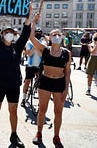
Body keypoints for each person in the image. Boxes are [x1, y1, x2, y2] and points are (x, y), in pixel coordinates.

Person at [0, 3, 32, 148]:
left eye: (11, 32)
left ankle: (14, 135)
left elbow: (25, 33)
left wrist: (29, 14)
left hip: (13, 84)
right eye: (6, 32)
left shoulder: (17, 48)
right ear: (2, 35)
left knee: (13, 109)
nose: (9, 34)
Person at [30, 13, 71, 147]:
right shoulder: (45, 50)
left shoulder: (66, 53)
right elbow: (31, 38)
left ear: (62, 37)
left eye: (59, 34)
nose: (57, 36)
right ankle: (39, 133)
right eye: (54, 34)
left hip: (59, 83)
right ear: (50, 37)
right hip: (45, 82)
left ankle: (56, 136)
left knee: (58, 112)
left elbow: (67, 71)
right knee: (42, 109)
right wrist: (34, 22)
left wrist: (66, 89)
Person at [21, 27, 47, 107]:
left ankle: (40, 100)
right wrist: (35, 47)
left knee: (41, 84)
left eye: (39, 32)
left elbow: (43, 54)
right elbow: (28, 54)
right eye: (36, 32)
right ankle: (24, 99)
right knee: (27, 82)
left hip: (39, 66)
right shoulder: (29, 42)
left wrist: (37, 48)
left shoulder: (43, 42)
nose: (38, 33)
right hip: (30, 65)